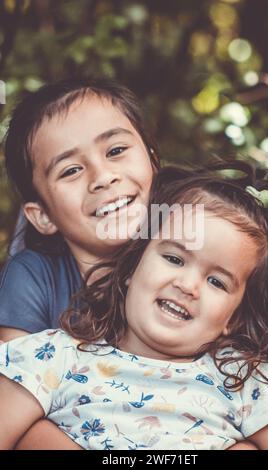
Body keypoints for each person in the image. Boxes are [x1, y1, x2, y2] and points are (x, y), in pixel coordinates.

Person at [0, 162, 268, 450]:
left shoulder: (245, 378)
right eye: (174, 259)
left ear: (234, 318)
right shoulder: (56, 355)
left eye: (217, 282)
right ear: (132, 267)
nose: (187, 285)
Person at [0, 77, 159, 449]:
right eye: (70, 170)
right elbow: (14, 405)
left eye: (116, 150)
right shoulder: (33, 276)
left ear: (152, 157)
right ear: (42, 217)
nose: (103, 177)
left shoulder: (191, 256)